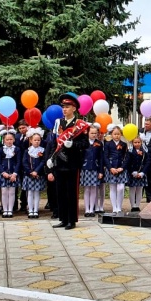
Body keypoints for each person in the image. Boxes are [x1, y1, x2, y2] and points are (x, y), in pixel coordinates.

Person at [46, 93, 89, 230]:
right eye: (63, 107)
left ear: (74, 108)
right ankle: (63, 219)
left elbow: (85, 144)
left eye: (67, 107)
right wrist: (51, 157)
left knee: (71, 193)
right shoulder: (59, 123)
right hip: (59, 162)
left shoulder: (79, 124)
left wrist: (74, 145)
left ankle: (72, 220)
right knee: (60, 192)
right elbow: (54, 142)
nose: (64, 109)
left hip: (72, 163)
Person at [0, 129, 21, 218]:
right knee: (4, 192)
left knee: (12, 192)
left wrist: (15, 173)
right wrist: (3, 172)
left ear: (13, 140)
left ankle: (10, 210)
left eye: (11, 139)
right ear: (4, 140)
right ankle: (5, 209)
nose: (9, 141)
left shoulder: (17, 149)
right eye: (7, 139)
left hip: (13, 174)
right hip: (4, 173)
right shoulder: (0, 150)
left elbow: (18, 162)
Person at [103, 125, 128, 214]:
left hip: (121, 168)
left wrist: (122, 167)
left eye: (118, 134)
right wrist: (110, 168)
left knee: (120, 187)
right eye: (115, 134)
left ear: (121, 135)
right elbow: (105, 157)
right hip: (112, 167)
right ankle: (114, 207)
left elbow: (126, 157)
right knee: (113, 188)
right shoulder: (108, 144)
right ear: (111, 135)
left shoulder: (124, 144)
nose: (116, 136)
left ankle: (119, 206)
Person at [22, 128, 46, 219]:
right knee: (30, 193)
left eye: (38, 140)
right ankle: (30, 210)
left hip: (38, 175)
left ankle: (36, 210)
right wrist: (30, 172)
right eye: (35, 140)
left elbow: (43, 162)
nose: (37, 142)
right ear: (31, 140)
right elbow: (24, 162)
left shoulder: (42, 150)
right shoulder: (27, 151)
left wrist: (37, 171)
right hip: (29, 175)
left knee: (36, 193)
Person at [81, 125, 104, 218]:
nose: (94, 135)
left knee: (94, 188)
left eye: (95, 133)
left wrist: (101, 171)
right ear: (88, 133)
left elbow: (101, 158)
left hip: (95, 168)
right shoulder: (84, 143)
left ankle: (92, 209)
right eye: (92, 133)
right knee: (87, 189)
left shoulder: (99, 143)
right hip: (85, 168)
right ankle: (87, 209)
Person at [126, 137, 146, 212]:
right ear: (132, 143)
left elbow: (147, 162)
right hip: (132, 172)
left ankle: (137, 205)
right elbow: (128, 162)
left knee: (139, 189)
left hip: (141, 173)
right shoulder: (130, 151)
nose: (137, 144)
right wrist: (132, 172)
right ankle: (132, 205)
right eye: (135, 142)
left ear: (141, 143)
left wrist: (143, 172)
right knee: (132, 189)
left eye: (138, 142)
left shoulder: (145, 151)